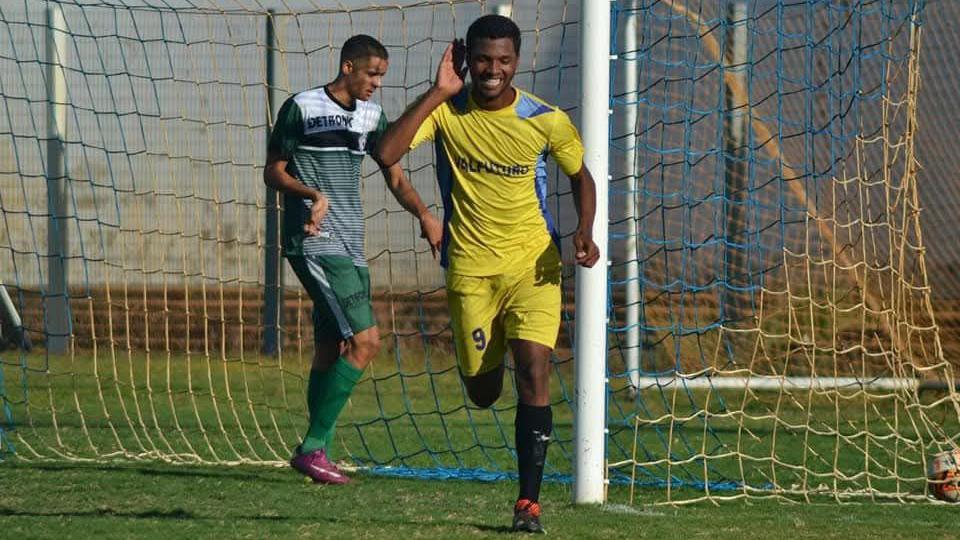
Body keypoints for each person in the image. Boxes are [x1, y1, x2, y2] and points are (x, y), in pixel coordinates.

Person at [375, 15, 599, 533]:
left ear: (516, 61)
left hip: (533, 267)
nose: (492, 70)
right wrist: (437, 90)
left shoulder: (545, 119)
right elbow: (386, 153)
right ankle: (485, 363)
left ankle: (528, 505)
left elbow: (580, 176)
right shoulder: (448, 114)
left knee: (535, 372)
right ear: (466, 58)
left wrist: (584, 229)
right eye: (482, 59)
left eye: (503, 60)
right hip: (472, 274)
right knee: (482, 392)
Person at [264, 34, 442, 485]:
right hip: (316, 242)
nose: (376, 84)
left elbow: (396, 177)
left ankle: (317, 449)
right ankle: (311, 447)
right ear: (347, 67)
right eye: (371, 74)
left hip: (351, 245)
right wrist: (310, 195)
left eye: (382, 76)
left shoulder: (371, 116)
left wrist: (425, 214)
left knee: (329, 346)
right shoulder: (301, 107)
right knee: (366, 342)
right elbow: (273, 171)